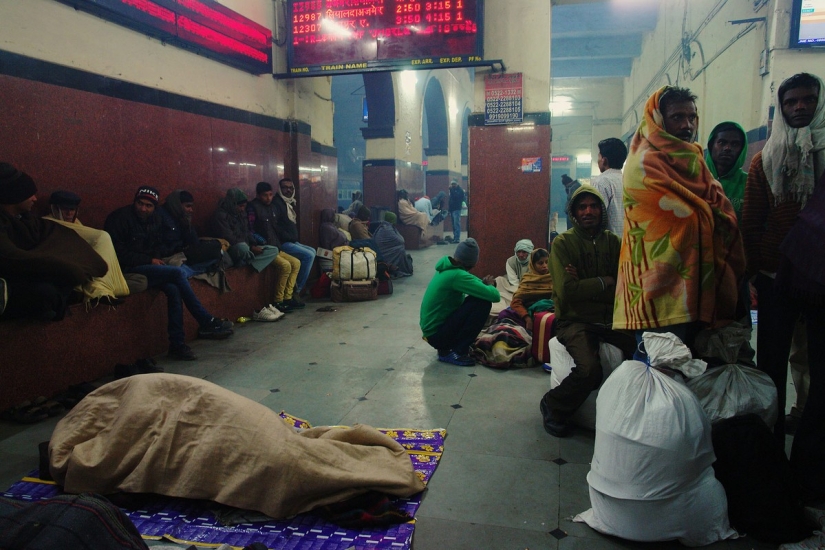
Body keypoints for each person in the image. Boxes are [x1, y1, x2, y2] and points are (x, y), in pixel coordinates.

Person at [742, 72, 825, 505]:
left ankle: (810, 468)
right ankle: (771, 459)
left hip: (822, 281)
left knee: (821, 374)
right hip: (776, 279)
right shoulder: (765, 160)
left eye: (808, 99)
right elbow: (752, 222)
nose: (799, 107)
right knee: (770, 368)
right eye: (791, 102)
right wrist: (754, 273)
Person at [612, 86, 744, 355]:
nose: (687, 125)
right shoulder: (644, 162)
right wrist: (711, 213)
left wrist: (711, 212)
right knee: (658, 361)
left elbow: (711, 206)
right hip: (657, 281)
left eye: (691, 117)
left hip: (695, 278)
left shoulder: (693, 156)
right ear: (658, 119)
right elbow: (680, 217)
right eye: (677, 117)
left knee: (689, 362)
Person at [539, 185, 636, 438]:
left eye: (593, 206)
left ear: (602, 210)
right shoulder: (563, 243)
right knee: (590, 371)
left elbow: (624, 285)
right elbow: (567, 291)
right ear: (574, 212)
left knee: (643, 356)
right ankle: (553, 406)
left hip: (611, 319)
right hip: (574, 320)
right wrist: (605, 281)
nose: (588, 211)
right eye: (582, 207)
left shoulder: (614, 242)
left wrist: (585, 283)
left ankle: (628, 419)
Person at [105, 186, 234, 360]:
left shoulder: (156, 219)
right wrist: (149, 260)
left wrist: (156, 258)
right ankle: (206, 320)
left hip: (150, 266)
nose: (143, 209)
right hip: (127, 268)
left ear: (154, 207)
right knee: (177, 274)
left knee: (174, 289)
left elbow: (159, 245)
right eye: (140, 203)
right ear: (134, 202)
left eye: (148, 206)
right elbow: (117, 253)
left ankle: (177, 345)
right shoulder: (119, 218)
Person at [0, 164, 107, 321]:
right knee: (45, 292)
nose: (35, 199)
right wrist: (62, 266)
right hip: (16, 276)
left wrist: (81, 263)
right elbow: (10, 257)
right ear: (14, 197)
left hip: (31, 274)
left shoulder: (27, 220)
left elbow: (57, 235)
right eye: (29, 195)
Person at [419, 238, 500, 366]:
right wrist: (490, 285)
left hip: (432, 332)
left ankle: (449, 348)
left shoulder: (447, 268)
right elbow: (495, 296)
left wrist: (483, 284)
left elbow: (475, 281)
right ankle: (457, 351)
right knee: (483, 304)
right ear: (473, 263)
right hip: (437, 336)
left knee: (476, 298)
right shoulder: (458, 276)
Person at [209, 187, 284, 320]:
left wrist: (253, 244)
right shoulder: (220, 216)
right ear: (232, 204)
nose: (242, 209)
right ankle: (248, 260)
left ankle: (249, 263)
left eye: (244, 206)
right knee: (243, 248)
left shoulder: (240, 214)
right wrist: (250, 248)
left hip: (247, 246)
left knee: (273, 250)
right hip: (231, 249)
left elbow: (247, 232)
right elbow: (229, 237)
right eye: (240, 206)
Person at [44, 190, 130, 306]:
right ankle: (98, 289)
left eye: (72, 210)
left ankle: (99, 286)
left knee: (140, 280)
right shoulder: (47, 223)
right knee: (102, 237)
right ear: (54, 209)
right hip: (65, 272)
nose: (69, 214)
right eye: (64, 209)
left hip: (86, 272)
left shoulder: (77, 223)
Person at [247, 181, 304, 312]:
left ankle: (288, 297)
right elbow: (249, 230)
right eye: (265, 195)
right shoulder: (253, 208)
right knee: (285, 266)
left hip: (275, 246)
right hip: (264, 249)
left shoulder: (272, 207)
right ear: (258, 195)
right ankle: (278, 301)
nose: (268, 198)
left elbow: (275, 228)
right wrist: (257, 242)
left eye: (270, 195)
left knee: (296, 263)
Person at [159, 190, 223, 277]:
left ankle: (189, 270)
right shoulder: (161, 216)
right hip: (170, 256)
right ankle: (190, 270)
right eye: (188, 206)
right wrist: (179, 250)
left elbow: (194, 242)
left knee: (216, 248)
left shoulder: (181, 217)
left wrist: (187, 224)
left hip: (183, 252)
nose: (191, 210)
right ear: (177, 205)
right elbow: (161, 245)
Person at [271, 178, 316, 299]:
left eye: (291, 188)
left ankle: (296, 285)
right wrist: (287, 236)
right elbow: (275, 226)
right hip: (282, 243)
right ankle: (297, 290)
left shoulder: (289, 202)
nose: (288, 190)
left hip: (291, 240)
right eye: (285, 188)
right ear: (279, 189)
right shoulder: (277, 204)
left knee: (313, 251)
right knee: (308, 255)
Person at [705, 122, 748, 220]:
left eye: (735, 144)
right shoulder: (696, 177)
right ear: (711, 146)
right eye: (722, 142)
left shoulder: (749, 183)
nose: (727, 148)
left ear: (742, 149)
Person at [590, 138, 628, 236]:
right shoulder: (629, 181)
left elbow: (595, 217)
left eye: (599, 157)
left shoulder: (601, 182)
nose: (598, 161)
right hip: (628, 242)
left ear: (604, 160)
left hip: (609, 242)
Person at [509, 248, 553, 331]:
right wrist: (527, 318)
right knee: (505, 315)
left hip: (548, 310)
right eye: (540, 263)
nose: (545, 266)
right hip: (527, 312)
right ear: (533, 264)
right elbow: (516, 302)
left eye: (547, 262)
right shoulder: (528, 279)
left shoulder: (554, 277)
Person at [373, 212, 413, 277]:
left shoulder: (383, 227)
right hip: (384, 257)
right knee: (401, 250)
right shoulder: (388, 229)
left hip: (380, 255)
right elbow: (401, 240)